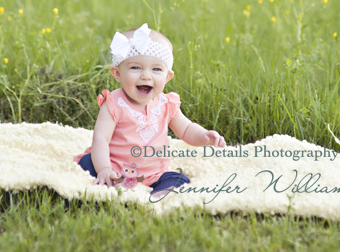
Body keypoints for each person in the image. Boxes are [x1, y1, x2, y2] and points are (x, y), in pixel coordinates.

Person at [74, 22, 226, 196]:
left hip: (154, 174)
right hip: (116, 168)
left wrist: (204, 136)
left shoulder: (166, 104)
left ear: (167, 76)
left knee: (179, 179)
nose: (146, 75)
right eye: (135, 67)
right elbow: (100, 139)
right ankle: (109, 181)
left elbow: (186, 129)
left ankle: (159, 194)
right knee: (88, 163)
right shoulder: (114, 103)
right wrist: (104, 168)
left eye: (156, 69)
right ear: (117, 73)